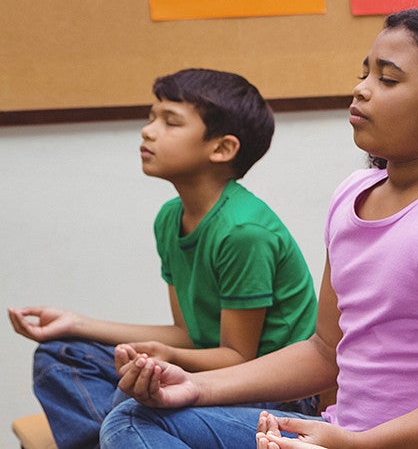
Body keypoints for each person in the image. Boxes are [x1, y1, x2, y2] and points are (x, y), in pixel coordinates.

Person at [103, 8, 418, 448]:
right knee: (137, 417)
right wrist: (196, 386)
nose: (362, 88)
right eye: (365, 73)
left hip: (403, 444)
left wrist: (357, 445)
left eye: (388, 79)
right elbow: (323, 351)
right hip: (339, 435)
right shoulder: (354, 193)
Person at [7, 68, 318, 449]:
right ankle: (114, 438)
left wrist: (168, 357)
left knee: (136, 402)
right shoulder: (171, 218)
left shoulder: (243, 233)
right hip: (212, 366)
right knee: (62, 354)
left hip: (272, 391)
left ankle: (122, 433)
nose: (148, 130)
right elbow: (187, 333)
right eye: (152, 117)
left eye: (170, 122)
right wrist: (77, 322)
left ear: (222, 149)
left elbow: (237, 357)